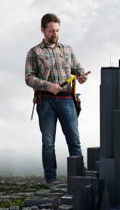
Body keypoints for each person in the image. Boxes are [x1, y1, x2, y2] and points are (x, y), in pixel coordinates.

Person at [25, 13, 90, 185]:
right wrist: (48, 86)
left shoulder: (67, 49)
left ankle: (79, 178)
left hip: (68, 99)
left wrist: (82, 76)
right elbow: (29, 78)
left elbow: (77, 69)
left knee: (74, 141)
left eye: (57, 31)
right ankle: (51, 180)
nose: (55, 34)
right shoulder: (34, 52)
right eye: (51, 31)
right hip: (45, 101)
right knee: (48, 143)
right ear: (42, 30)